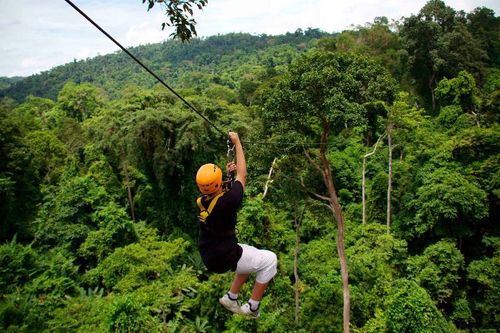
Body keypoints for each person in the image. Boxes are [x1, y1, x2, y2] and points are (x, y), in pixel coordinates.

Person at [195, 132, 277, 318]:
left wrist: (228, 177)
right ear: (218, 183)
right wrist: (237, 142)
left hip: (210, 254)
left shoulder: (202, 200)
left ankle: (231, 297)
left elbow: (220, 191)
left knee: (248, 254)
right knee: (270, 259)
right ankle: (253, 307)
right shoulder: (229, 200)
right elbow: (243, 175)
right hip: (226, 256)